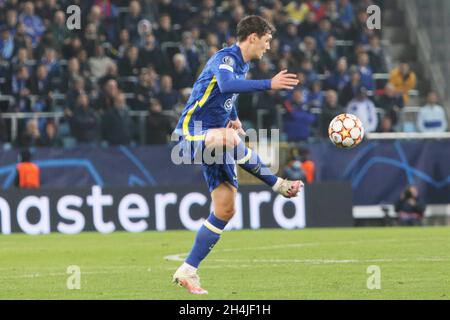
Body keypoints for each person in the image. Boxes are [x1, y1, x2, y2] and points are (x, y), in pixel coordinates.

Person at [171, 15, 303, 295]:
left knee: (225, 208)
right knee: (230, 139)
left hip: (215, 135)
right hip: (190, 133)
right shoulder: (227, 59)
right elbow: (227, 85)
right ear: (252, 37)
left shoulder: (240, 64)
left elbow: (224, 96)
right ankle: (277, 184)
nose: (268, 47)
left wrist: (234, 116)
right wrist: (269, 84)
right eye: (266, 41)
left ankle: (187, 270)